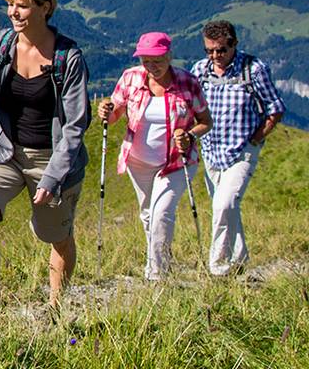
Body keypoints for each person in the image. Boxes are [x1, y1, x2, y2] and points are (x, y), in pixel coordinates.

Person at [0, 0, 91, 305]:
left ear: (45, 8)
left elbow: (75, 126)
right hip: (7, 151)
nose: (13, 13)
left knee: (56, 237)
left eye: (22, 6)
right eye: (9, 5)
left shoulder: (68, 59)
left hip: (52, 159)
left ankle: (56, 305)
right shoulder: (2, 46)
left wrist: (54, 175)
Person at [98, 32, 212, 281]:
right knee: (149, 215)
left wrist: (189, 135)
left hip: (176, 161)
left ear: (169, 56)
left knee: (162, 213)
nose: (152, 66)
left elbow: (206, 122)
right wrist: (106, 111)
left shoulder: (187, 82)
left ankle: (156, 275)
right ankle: (163, 262)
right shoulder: (130, 78)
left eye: (157, 60)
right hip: (138, 161)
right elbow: (116, 113)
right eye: (146, 61)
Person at [191, 20, 285, 276]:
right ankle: (240, 258)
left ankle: (218, 268)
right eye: (209, 50)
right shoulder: (200, 70)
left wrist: (258, 137)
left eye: (221, 50)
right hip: (211, 151)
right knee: (226, 206)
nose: (215, 56)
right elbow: (192, 105)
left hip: (242, 150)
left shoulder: (253, 69)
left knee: (224, 204)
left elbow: (275, 108)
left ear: (234, 44)